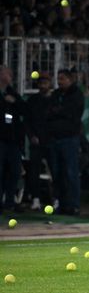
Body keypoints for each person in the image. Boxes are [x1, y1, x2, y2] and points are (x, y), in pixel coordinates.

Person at [46, 70, 85, 215]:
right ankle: (61, 203)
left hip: (70, 138)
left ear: (70, 79)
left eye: (62, 79)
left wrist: (58, 111)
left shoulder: (76, 94)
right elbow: (49, 112)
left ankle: (74, 204)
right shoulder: (56, 94)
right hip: (55, 138)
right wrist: (58, 112)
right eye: (58, 78)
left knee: (71, 172)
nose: (59, 81)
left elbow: (71, 113)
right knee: (57, 173)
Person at [25, 73, 53, 210]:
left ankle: (57, 199)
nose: (43, 85)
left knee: (55, 170)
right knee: (33, 171)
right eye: (41, 83)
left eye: (45, 83)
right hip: (36, 142)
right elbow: (28, 122)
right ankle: (35, 199)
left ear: (50, 83)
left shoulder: (55, 99)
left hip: (51, 142)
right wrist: (31, 136)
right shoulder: (33, 100)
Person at [0, 66, 25, 215]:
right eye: (7, 73)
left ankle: (10, 201)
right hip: (1, 139)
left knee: (14, 171)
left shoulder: (12, 93)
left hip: (13, 140)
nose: (10, 76)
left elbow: (23, 108)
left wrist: (13, 102)